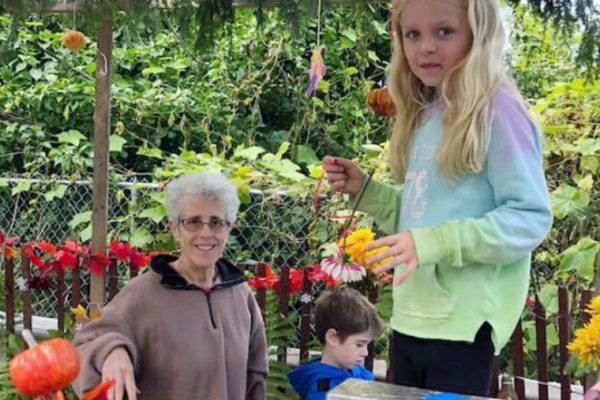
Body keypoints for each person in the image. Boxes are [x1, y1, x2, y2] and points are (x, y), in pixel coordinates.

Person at [322, 0, 552, 396]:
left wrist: (434, 242)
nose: (426, 46)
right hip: (411, 318)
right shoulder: (425, 113)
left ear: (478, 34)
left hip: (462, 327)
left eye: (444, 31)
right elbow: (419, 219)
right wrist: (366, 191)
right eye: (413, 34)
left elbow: (529, 218)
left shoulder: (498, 110)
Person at [72, 172, 269, 400]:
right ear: (175, 228)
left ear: (229, 228)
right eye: (193, 222)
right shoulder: (143, 294)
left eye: (216, 222)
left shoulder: (240, 294)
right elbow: (85, 345)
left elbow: (256, 378)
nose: (206, 233)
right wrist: (112, 352)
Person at [288, 287, 384, 400]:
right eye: (359, 344)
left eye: (367, 345)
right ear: (333, 338)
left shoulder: (360, 373)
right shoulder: (323, 390)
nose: (366, 353)